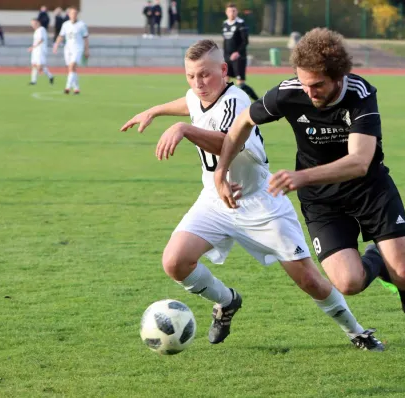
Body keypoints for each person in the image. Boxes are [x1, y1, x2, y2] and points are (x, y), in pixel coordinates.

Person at [214, 28, 405, 372]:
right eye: (304, 83)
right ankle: (377, 259)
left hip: (370, 190)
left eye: (317, 85)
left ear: (338, 75)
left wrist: (300, 177)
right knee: (348, 282)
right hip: (323, 202)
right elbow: (242, 122)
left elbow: (359, 162)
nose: (309, 92)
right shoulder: (290, 92)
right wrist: (221, 169)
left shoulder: (360, 93)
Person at [120, 39, 383, 350]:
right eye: (190, 76)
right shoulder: (197, 94)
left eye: (205, 75)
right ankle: (227, 302)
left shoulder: (238, 100)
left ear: (223, 70)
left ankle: (356, 331)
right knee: (175, 262)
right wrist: (155, 111)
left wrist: (183, 129)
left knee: (310, 281)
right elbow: (189, 102)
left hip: (260, 202)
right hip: (215, 201)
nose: (198, 83)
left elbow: (227, 143)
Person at [222, 3, 258, 101]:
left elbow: (245, 41)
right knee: (224, 82)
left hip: (239, 58)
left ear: (237, 12)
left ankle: (258, 100)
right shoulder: (225, 24)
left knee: (240, 84)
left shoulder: (241, 23)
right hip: (227, 58)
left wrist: (237, 52)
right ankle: (224, 102)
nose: (232, 13)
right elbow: (225, 41)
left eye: (234, 11)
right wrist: (224, 56)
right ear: (226, 12)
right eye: (230, 11)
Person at [52, 7, 89, 95]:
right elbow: (61, 36)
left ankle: (67, 87)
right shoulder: (65, 24)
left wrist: (86, 50)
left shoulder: (82, 25)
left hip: (78, 48)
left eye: (75, 13)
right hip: (68, 48)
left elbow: (86, 38)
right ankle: (76, 88)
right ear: (69, 14)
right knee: (71, 69)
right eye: (72, 13)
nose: (73, 15)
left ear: (77, 14)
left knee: (72, 66)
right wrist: (56, 45)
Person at [28, 19, 54, 86]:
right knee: (34, 65)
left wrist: (33, 47)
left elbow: (41, 40)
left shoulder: (41, 29)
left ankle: (50, 76)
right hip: (35, 50)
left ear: (38, 23)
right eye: (32, 24)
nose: (33, 25)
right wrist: (33, 48)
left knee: (40, 67)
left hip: (40, 50)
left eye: (34, 23)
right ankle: (33, 81)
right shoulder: (36, 31)